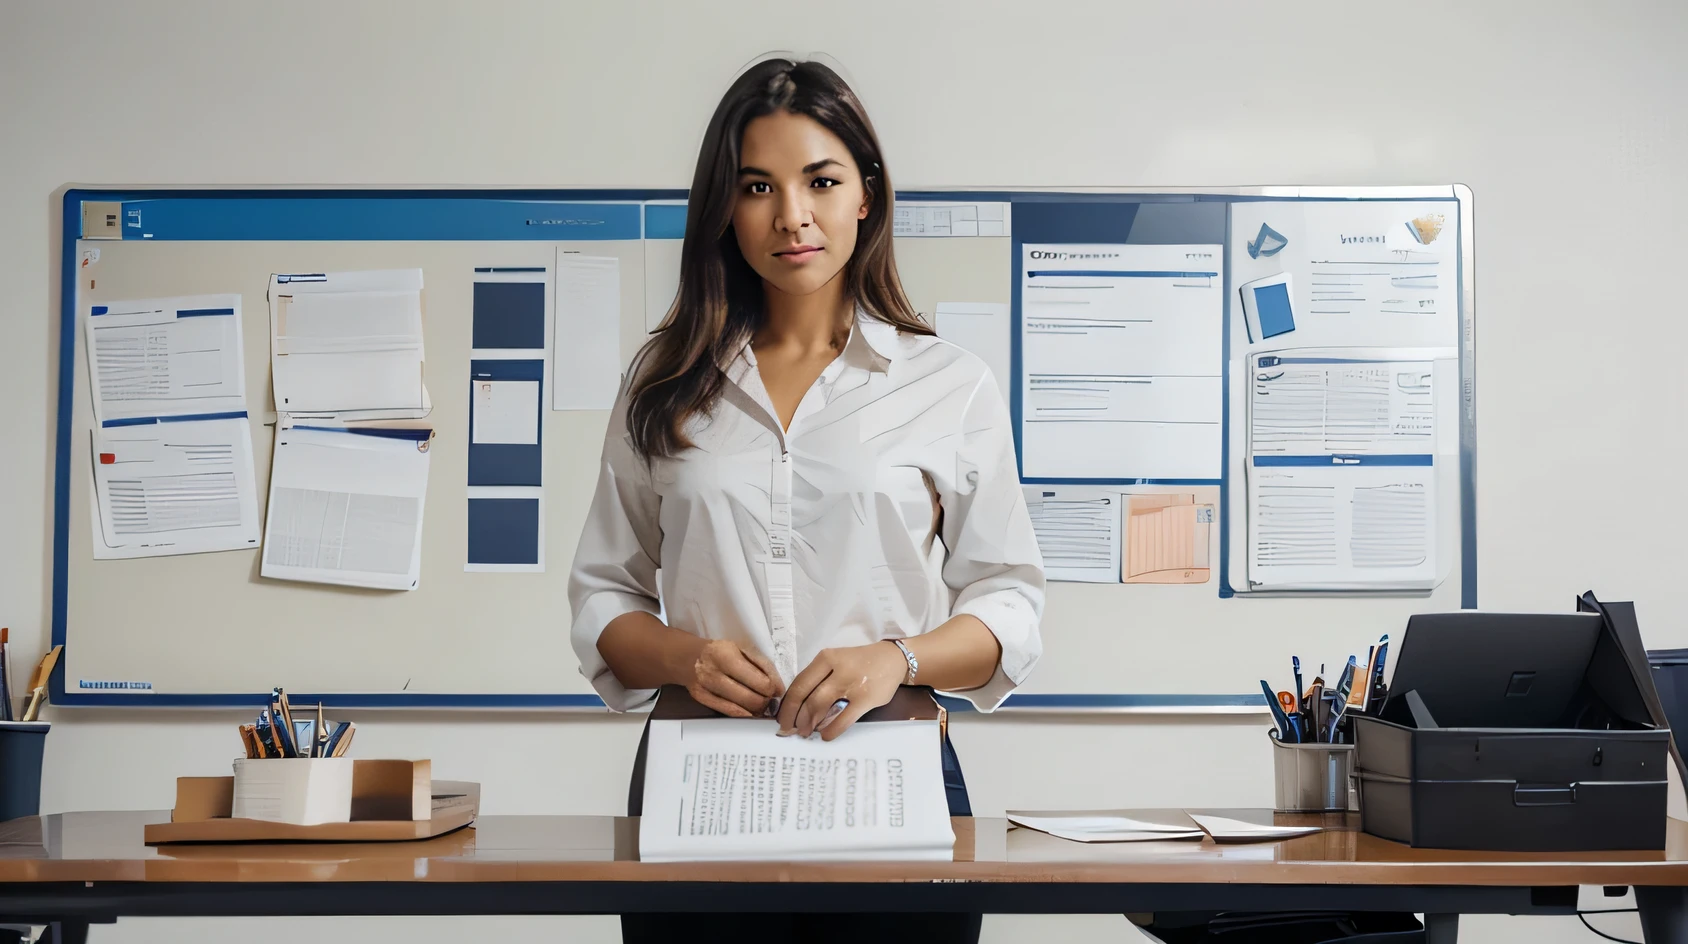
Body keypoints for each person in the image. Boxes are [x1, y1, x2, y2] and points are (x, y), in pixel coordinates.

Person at [568, 56, 1045, 944]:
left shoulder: (950, 384)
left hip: (891, 778)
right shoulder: (663, 383)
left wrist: (894, 660)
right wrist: (683, 657)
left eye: (820, 180)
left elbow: (1010, 604)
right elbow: (603, 597)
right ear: (724, 209)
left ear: (865, 193)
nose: (792, 215)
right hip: (700, 791)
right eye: (757, 186)